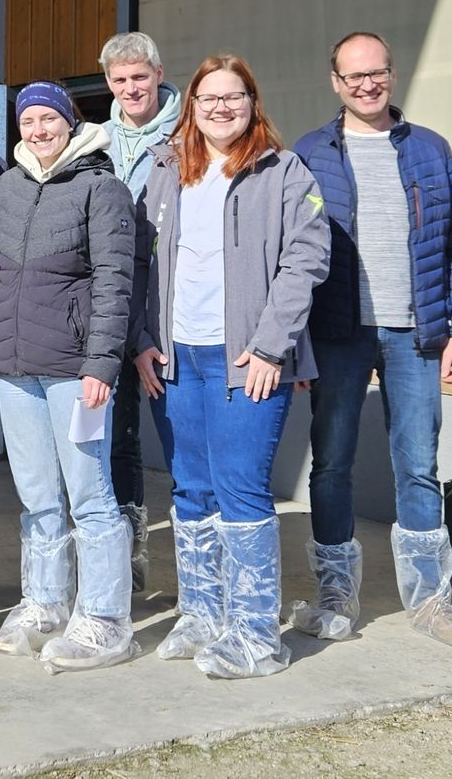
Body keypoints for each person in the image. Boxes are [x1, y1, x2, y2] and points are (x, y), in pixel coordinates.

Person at [291, 31, 452, 654]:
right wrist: (296, 342)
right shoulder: (309, 153)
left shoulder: (430, 150)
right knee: (331, 463)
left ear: (392, 74)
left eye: (375, 73)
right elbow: (290, 253)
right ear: (336, 83)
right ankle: (334, 596)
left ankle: (432, 600)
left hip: (417, 333)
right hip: (338, 334)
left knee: (417, 464)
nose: (366, 85)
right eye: (353, 77)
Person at [133, 53, 330, 679]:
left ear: (252, 102)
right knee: (190, 488)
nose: (221, 107)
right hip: (175, 355)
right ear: (191, 104)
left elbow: (307, 260)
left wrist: (273, 345)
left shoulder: (283, 170)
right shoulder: (167, 169)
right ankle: (201, 613)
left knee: (241, 488)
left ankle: (253, 634)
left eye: (233, 97)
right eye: (209, 97)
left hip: (247, 357)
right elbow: (142, 259)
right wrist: (142, 339)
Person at [0, 81, 136, 672]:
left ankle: (106, 618)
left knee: (90, 496)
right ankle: (43, 602)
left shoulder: (100, 186)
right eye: (29, 121)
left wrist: (102, 363)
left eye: (49, 119)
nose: (38, 131)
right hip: (15, 366)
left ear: (71, 121)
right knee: (38, 495)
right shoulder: (10, 187)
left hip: (74, 368)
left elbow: (116, 281)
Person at [99, 31, 183, 591]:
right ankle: (129, 562)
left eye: (139, 77)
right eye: (119, 79)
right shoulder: (94, 141)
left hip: (171, 310)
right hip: (111, 306)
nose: (131, 88)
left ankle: (206, 568)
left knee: (181, 440)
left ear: (158, 74)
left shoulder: (190, 135)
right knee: (116, 439)